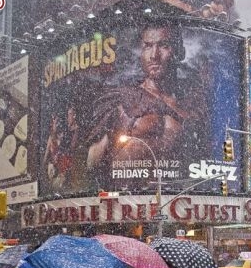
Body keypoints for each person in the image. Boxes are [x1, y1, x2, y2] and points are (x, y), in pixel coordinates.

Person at [85, 22, 211, 172]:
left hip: (177, 189)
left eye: (164, 46)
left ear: (180, 52)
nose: (154, 55)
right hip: (127, 192)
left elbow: (202, 153)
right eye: (148, 46)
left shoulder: (194, 103)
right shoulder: (121, 98)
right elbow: (93, 163)